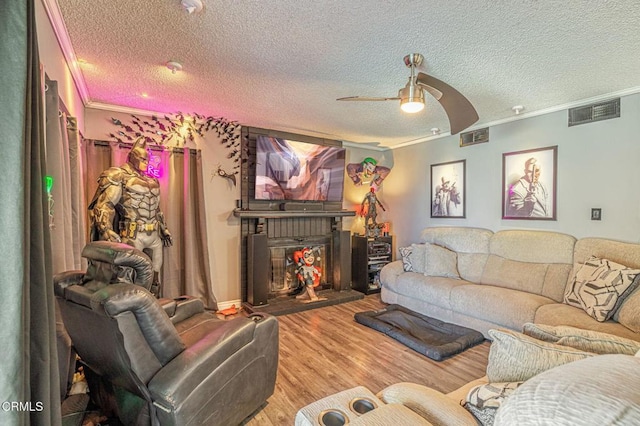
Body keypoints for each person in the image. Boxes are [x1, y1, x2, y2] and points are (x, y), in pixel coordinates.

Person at [88, 137, 173, 296]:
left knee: (154, 277)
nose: (145, 162)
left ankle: (152, 312)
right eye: (142, 158)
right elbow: (104, 205)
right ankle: (127, 312)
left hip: (154, 235)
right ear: (132, 157)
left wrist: (164, 229)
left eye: (147, 159)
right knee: (126, 278)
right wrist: (106, 230)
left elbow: (156, 209)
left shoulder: (152, 180)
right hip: (133, 234)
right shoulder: (118, 175)